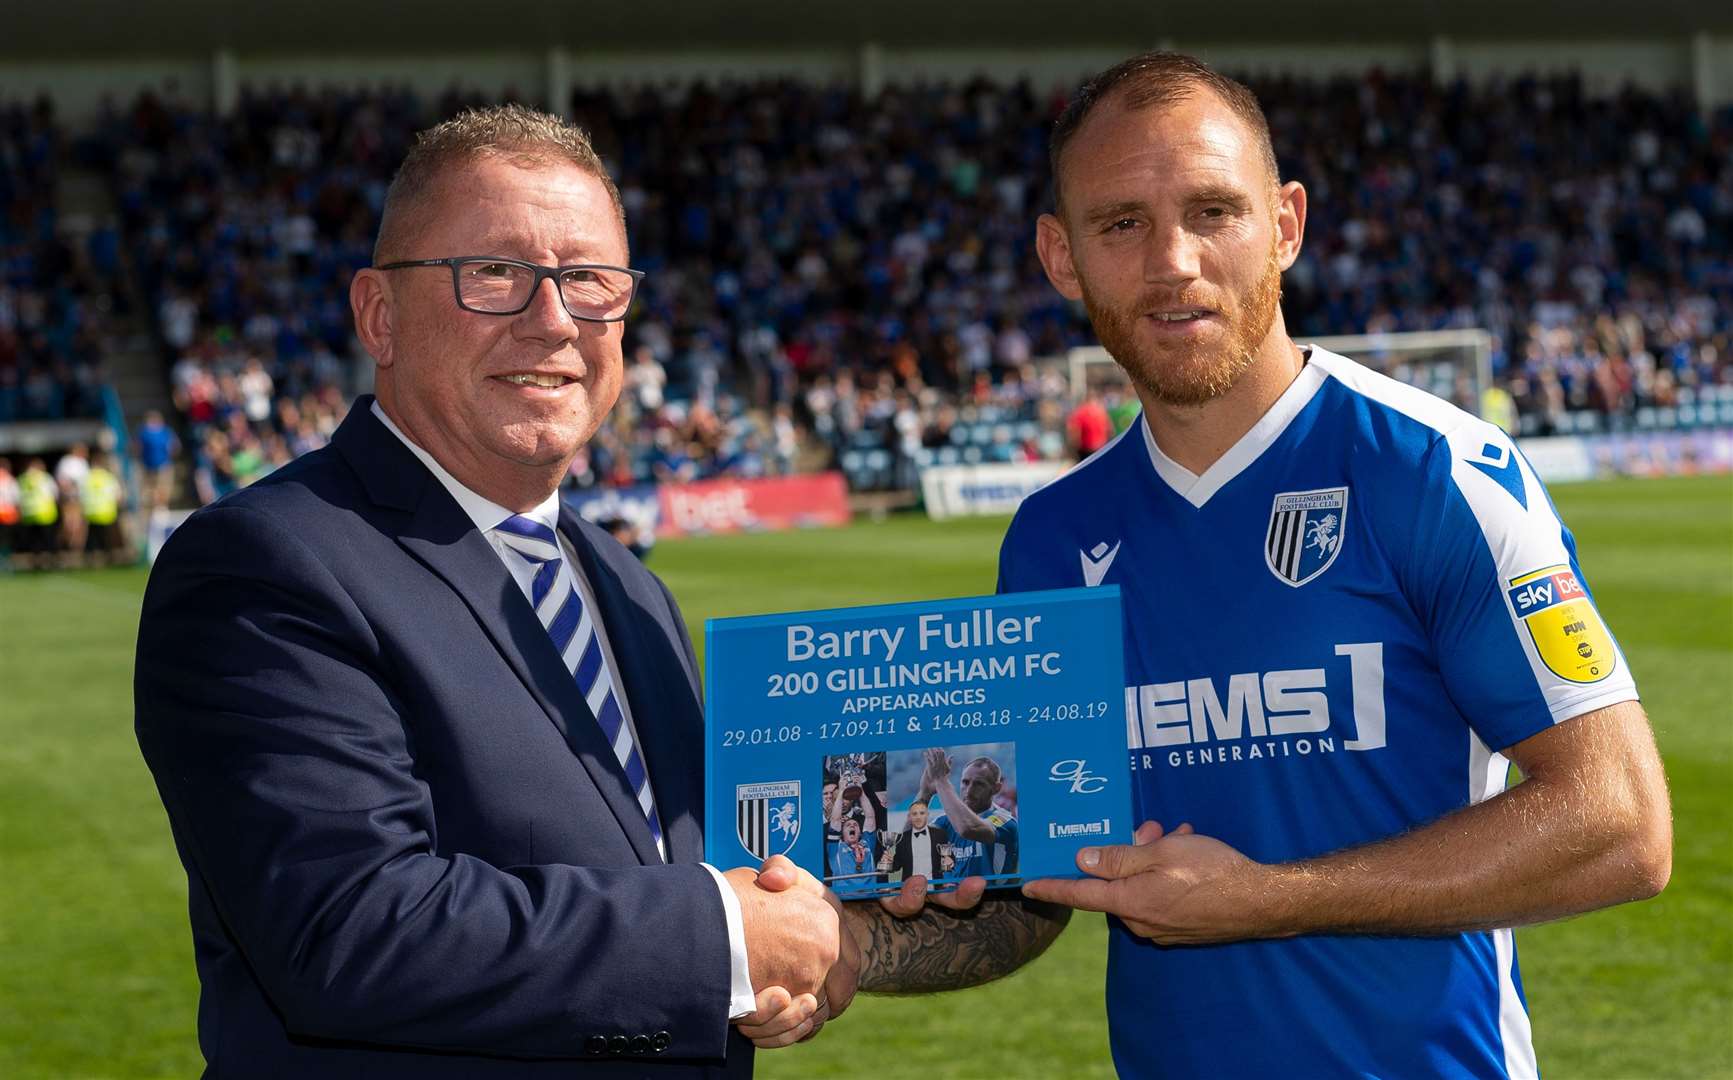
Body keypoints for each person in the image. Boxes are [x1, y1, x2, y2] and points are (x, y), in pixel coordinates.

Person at [982, 52, 1669, 1078]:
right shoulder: (1047, 540)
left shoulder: (1433, 472)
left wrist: (1264, 899)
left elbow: (1618, 823)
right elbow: (1034, 870)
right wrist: (862, 933)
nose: (1172, 260)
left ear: (1285, 225)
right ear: (1060, 255)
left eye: (1213, 211)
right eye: (1120, 223)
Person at [134, 104, 853, 1077]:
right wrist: (727, 937)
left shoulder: (627, 586)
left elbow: (675, 882)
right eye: (497, 274)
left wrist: (784, 949)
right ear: (378, 316)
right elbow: (352, 931)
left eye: (589, 279)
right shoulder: (264, 564)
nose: (552, 319)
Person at [917, 749, 1018, 880]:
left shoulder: (1005, 821)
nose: (969, 791)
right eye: (965, 782)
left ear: (996, 788)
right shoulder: (945, 821)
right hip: (952, 897)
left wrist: (940, 779)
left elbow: (967, 828)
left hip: (992, 898)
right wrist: (924, 794)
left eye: (979, 784)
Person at [876, 800, 952, 885]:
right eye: (914, 814)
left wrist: (950, 862)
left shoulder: (940, 834)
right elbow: (897, 865)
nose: (918, 817)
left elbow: (949, 859)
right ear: (909, 816)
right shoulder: (902, 838)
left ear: (927, 815)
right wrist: (888, 862)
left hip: (935, 887)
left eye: (922, 813)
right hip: (910, 889)